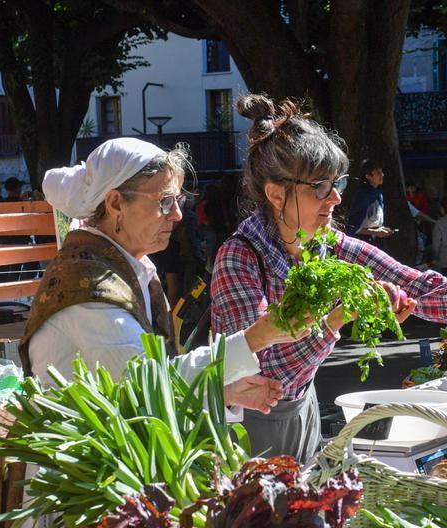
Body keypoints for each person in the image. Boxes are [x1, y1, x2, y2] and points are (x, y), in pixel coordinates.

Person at [211, 94, 447, 462]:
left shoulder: (329, 246)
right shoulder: (240, 258)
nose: (335, 198)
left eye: (338, 182)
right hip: (245, 427)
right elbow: (268, 377)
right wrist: (338, 318)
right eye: (320, 186)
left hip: (304, 410)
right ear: (275, 193)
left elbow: (417, 286)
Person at [25, 136, 314, 413]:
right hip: (79, 458)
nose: (176, 214)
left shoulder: (123, 266)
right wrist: (255, 338)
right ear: (115, 204)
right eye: (164, 202)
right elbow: (146, 383)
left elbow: (145, 386)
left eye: (177, 200)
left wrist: (221, 392)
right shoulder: (88, 286)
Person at [345, 159, 393, 242]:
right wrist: (375, 231)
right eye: (378, 173)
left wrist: (381, 229)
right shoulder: (362, 195)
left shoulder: (378, 193)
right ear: (368, 176)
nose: (382, 175)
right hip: (360, 240)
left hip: (375, 240)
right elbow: (352, 226)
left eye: (381, 172)